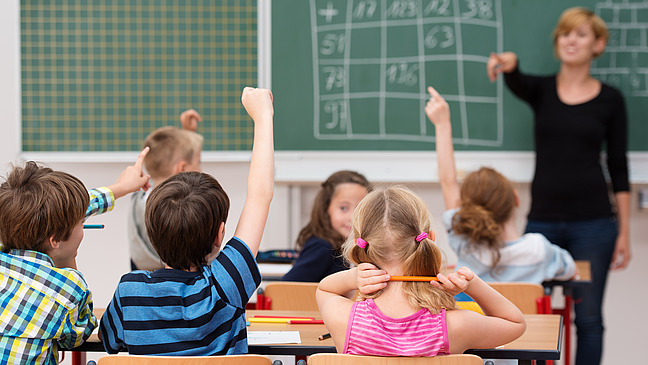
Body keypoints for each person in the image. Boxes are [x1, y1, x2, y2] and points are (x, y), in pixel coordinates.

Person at [486, 7, 630, 365]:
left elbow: (619, 167)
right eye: (565, 33)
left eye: (581, 34)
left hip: (595, 224)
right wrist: (509, 61)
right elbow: (515, 76)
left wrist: (624, 232)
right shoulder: (542, 90)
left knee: (590, 319)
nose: (571, 40)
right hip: (543, 223)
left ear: (597, 44)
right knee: (533, 312)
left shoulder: (611, 100)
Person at [99, 87, 274, 356]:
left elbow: (109, 341)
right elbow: (260, 196)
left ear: (154, 233)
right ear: (219, 236)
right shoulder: (225, 286)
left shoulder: (129, 292)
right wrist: (264, 117)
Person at [316, 186, 526, 356]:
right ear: (430, 238)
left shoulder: (347, 320)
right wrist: (473, 286)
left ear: (359, 244)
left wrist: (353, 277)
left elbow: (324, 290)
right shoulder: (456, 325)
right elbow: (515, 323)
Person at [0, 150, 151, 364]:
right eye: (81, 223)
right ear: (55, 240)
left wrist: (118, 189)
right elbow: (77, 335)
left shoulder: (9, 224)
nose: (83, 226)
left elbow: (47, 211)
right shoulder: (67, 288)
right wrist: (68, 265)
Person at [425, 85, 576, 284]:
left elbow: (448, 181)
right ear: (515, 198)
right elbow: (570, 270)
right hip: (520, 316)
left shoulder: (465, 244)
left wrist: (442, 124)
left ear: (468, 207)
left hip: (475, 316)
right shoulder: (539, 249)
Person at [129, 109, 203, 271]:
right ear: (182, 167)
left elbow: (179, 177)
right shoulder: (174, 210)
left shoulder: (140, 197)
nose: (200, 169)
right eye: (198, 162)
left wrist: (187, 134)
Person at [282, 170, 370, 282]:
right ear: (325, 210)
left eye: (360, 209)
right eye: (343, 208)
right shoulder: (322, 247)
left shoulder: (362, 248)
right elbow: (285, 289)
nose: (352, 217)